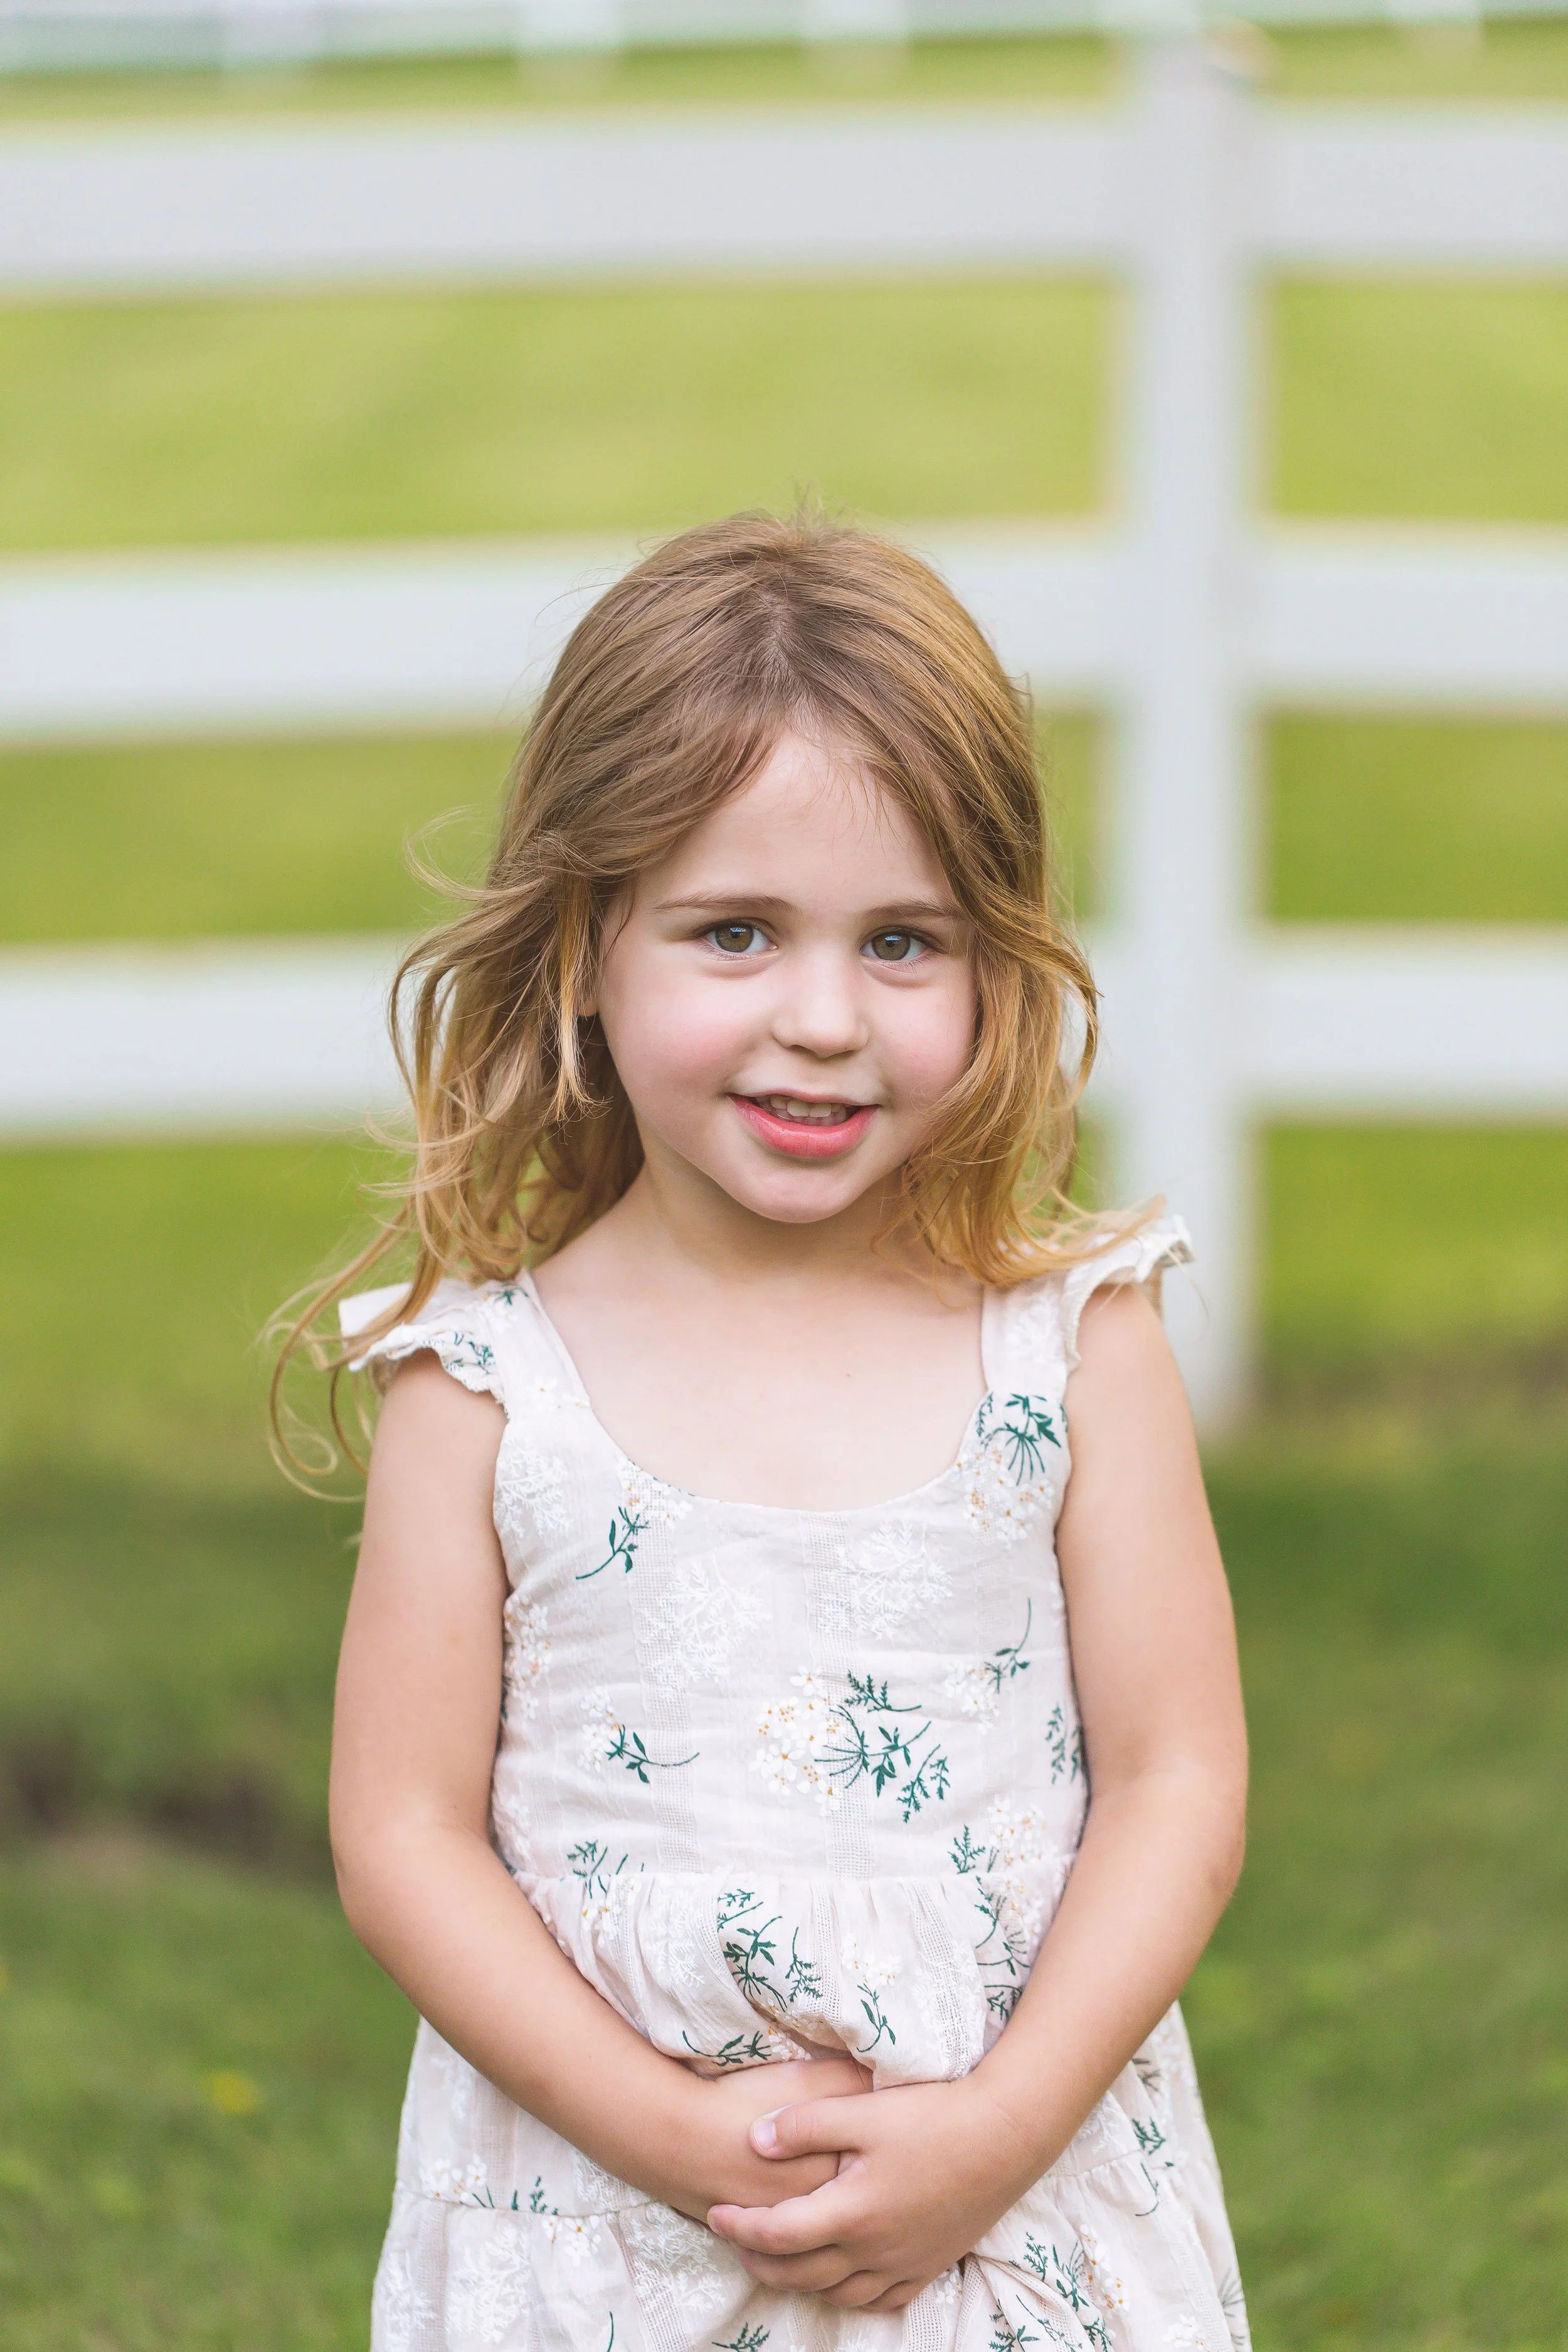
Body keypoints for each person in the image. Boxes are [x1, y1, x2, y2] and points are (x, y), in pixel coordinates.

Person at [277, 512, 1251, 2352]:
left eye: (903, 942)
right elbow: (402, 1830)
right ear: (583, 946)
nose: (821, 1021)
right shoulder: (485, 1388)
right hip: (603, 2217)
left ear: (993, 965)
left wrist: (1001, 2126)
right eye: (734, 931)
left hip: (1006, 2203)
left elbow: (1176, 1777)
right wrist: (670, 2134)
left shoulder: (1069, 1348)